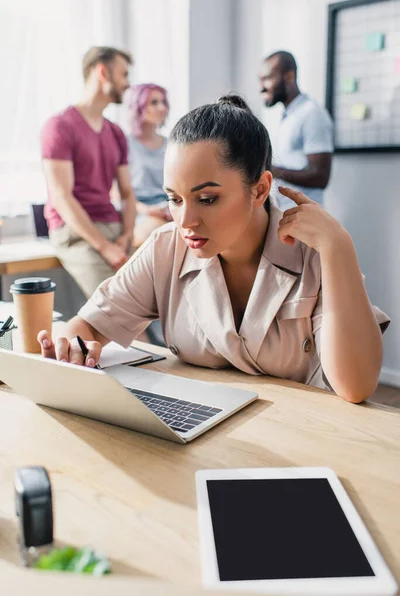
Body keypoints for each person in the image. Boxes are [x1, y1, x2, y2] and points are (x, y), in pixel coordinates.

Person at [38, 95, 389, 404]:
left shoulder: (316, 255)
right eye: (174, 199)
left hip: (306, 446)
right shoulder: (167, 246)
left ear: (260, 189)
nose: (186, 220)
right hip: (201, 437)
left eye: (207, 199)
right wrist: (71, 343)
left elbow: (356, 387)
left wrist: (339, 247)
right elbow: (86, 326)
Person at [41, 46, 137, 298]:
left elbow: (127, 193)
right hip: (76, 233)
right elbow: (62, 197)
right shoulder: (59, 127)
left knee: (153, 301)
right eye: (123, 74)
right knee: (117, 309)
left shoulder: (116, 132)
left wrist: (126, 236)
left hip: (114, 229)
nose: (127, 84)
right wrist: (104, 247)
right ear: (103, 72)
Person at [259, 51, 333, 210]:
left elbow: (321, 176)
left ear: (289, 77)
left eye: (268, 78)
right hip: (284, 216)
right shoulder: (286, 117)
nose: (261, 88)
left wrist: (268, 169)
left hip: (306, 220)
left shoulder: (312, 114)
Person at [126, 83, 172, 247]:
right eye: (153, 102)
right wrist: (146, 210)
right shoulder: (125, 144)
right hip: (139, 210)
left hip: (169, 208)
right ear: (137, 106)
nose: (161, 107)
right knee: (154, 236)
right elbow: (116, 193)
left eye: (163, 102)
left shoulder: (172, 144)